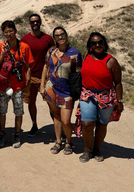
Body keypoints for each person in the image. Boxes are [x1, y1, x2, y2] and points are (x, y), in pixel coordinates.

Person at [79, 32, 123, 163]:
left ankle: (97, 149)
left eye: (100, 42)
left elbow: (118, 82)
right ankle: (88, 149)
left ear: (104, 44)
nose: (97, 45)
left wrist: (119, 101)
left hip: (106, 96)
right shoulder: (86, 56)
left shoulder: (111, 61)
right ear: (90, 46)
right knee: (87, 124)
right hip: (87, 94)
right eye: (94, 43)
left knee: (102, 124)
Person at [40, 27, 82, 155]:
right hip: (51, 89)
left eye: (62, 34)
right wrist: (42, 86)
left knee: (66, 120)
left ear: (66, 35)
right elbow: (46, 67)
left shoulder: (75, 53)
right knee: (56, 117)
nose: (60, 37)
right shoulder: (51, 51)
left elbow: (79, 74)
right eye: (57, 36)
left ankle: (69, 141)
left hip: (67, 91)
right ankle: (58, 141)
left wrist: (77, 92)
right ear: (54, 38)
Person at [0, 20, 33, 148]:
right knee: (2, 111)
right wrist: (3, 54)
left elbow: (28, 66)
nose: (9, 34)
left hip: (18, 85)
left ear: (15, 31)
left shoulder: (24, 47)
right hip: (3, 85)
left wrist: (27, 80)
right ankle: (2, 133)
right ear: (3, 33)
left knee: (18, 111)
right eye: (6, 32)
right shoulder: (0, 47)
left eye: (11, 31)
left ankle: (17, 134)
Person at [21, 14, 54, 137]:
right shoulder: (24, 39)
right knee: (31, 102)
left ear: (40, 23)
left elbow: (53, 55)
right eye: (32, 22)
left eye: (37, 21)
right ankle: (34, 125)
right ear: (29, 24)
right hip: (31, 76)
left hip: (46, 76)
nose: (35, 23)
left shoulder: (48, 39)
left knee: (51, 103)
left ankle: (57, 126)